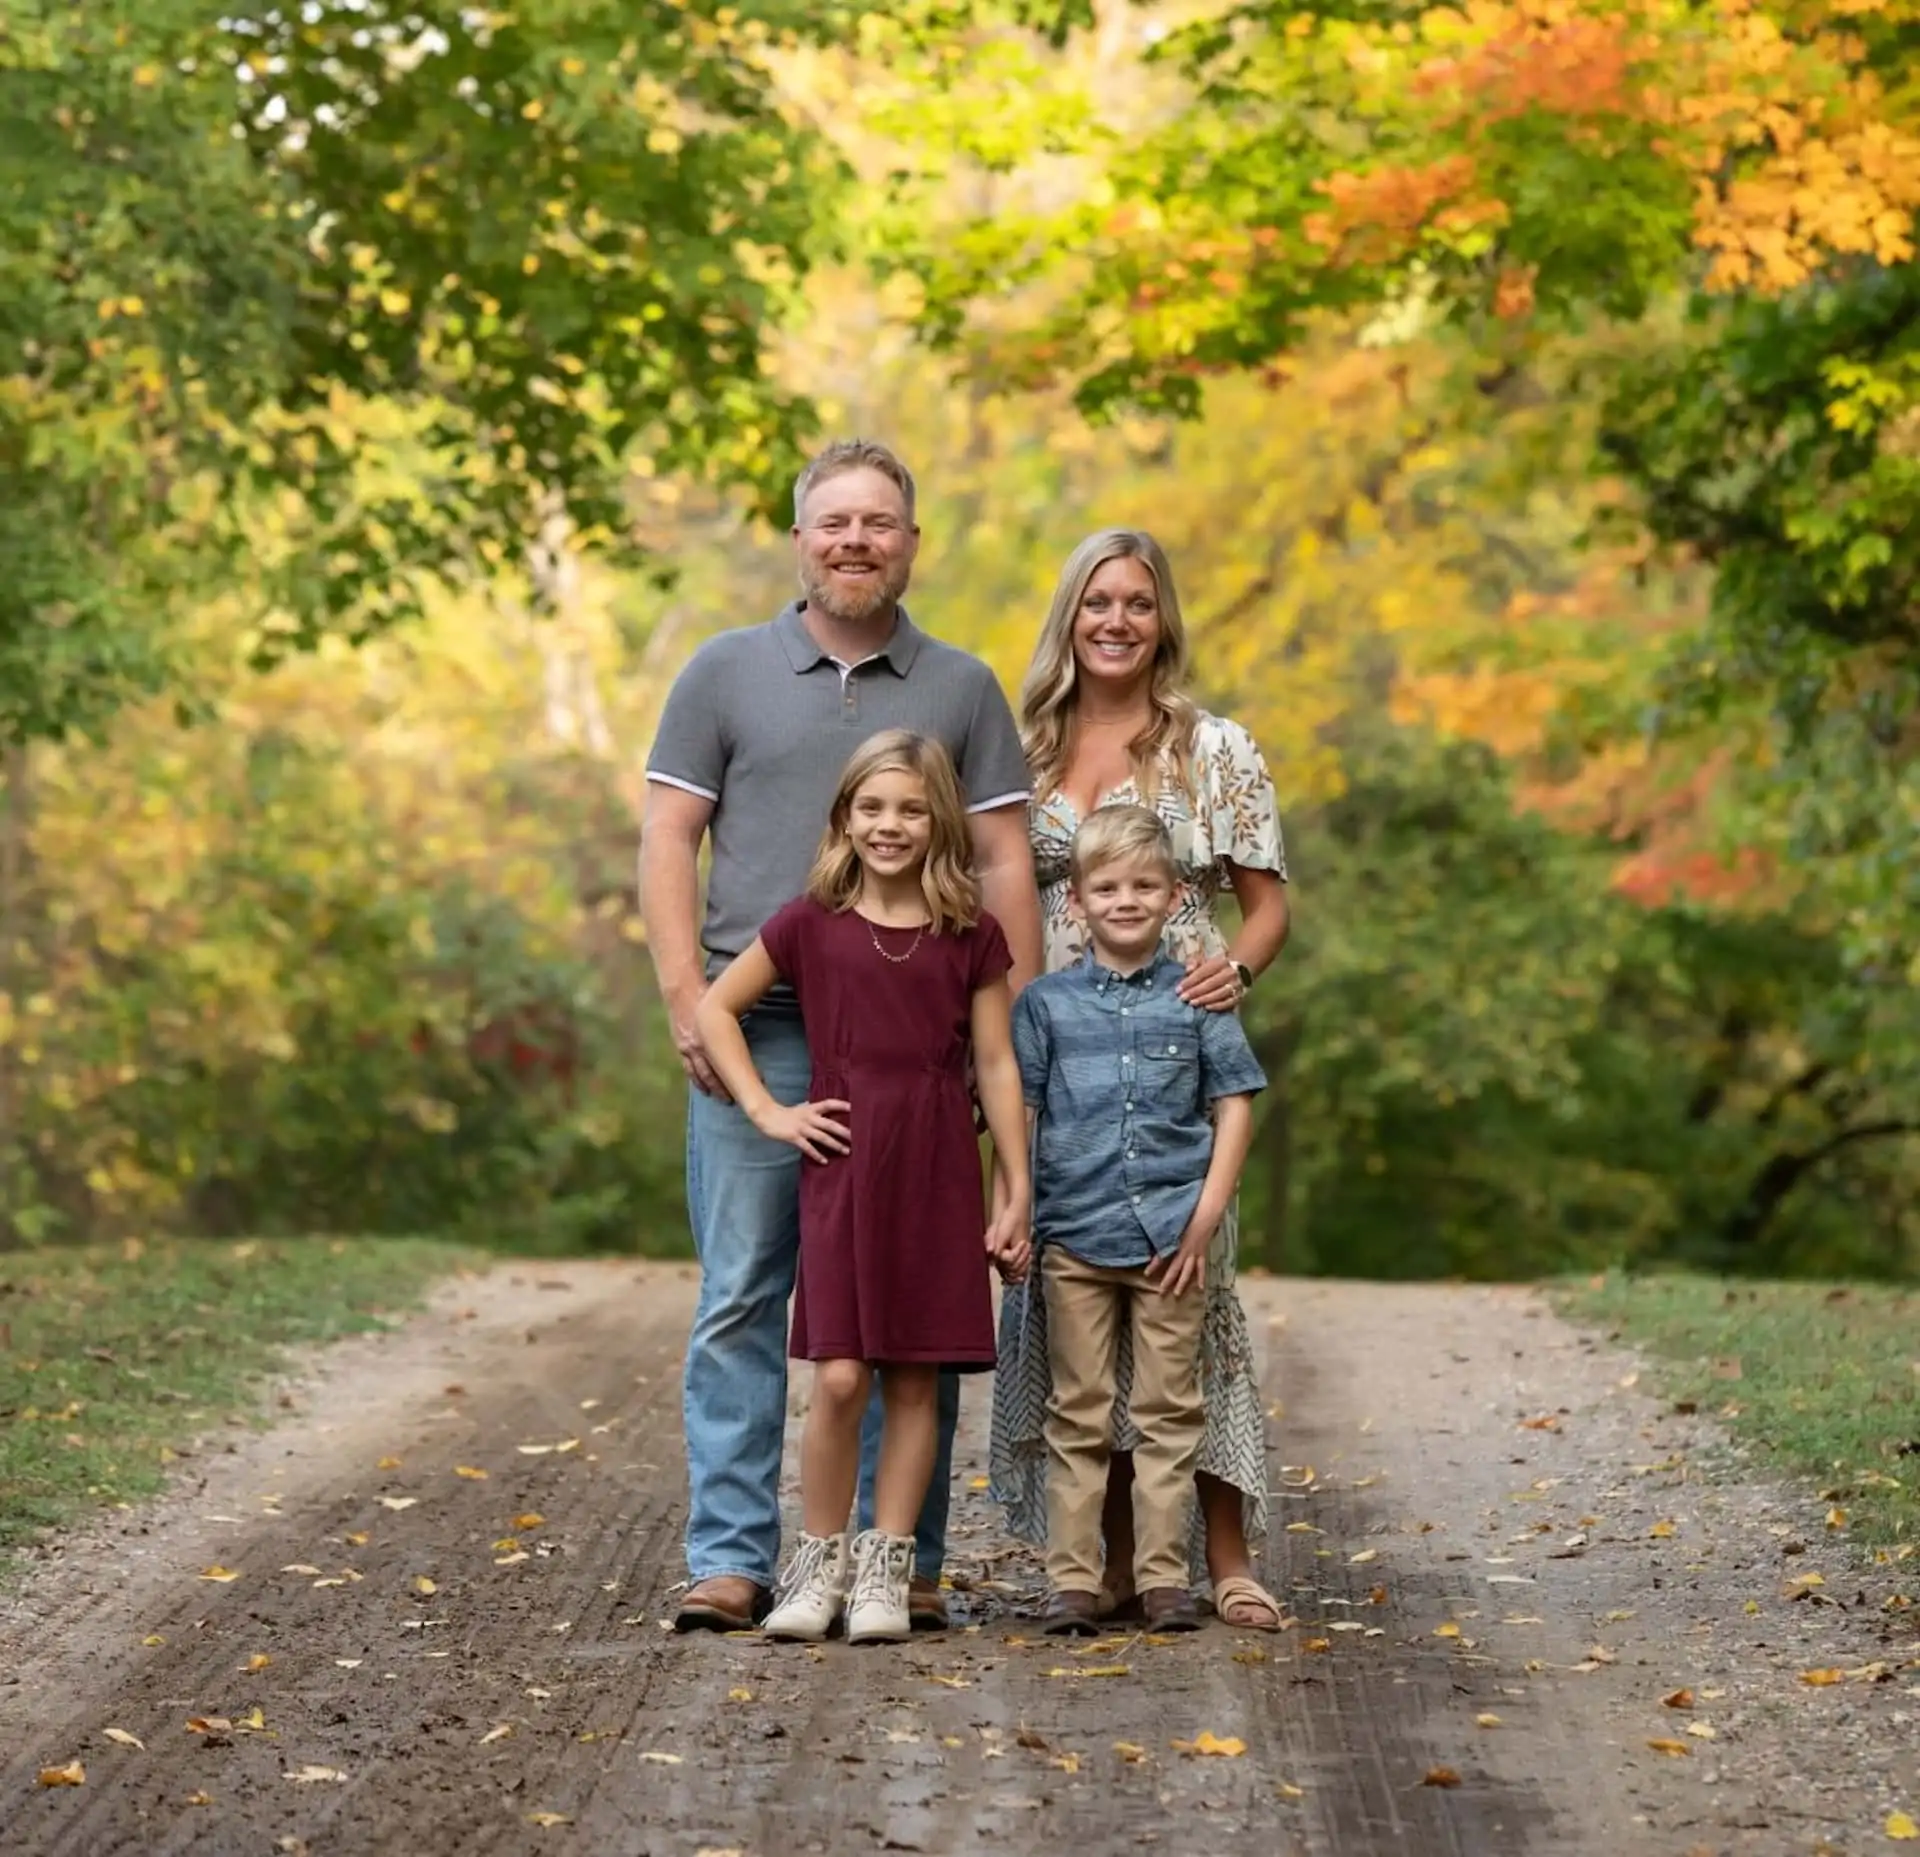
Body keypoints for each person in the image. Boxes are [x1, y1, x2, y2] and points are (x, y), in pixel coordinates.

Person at [641, 438, 1042, 1634]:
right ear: (801, 539)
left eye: (878, 523)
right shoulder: (723, 671)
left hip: (916, 1044)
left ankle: (897, 1560)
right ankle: (732, 1558)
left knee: (908, 1302)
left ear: (911, 543)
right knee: (743, 1291)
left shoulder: (962, 687)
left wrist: (1005, 1040)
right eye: (835, 522)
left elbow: (1005, 859)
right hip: (762, 1032)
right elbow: (669, 835)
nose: (856, 541)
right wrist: (684, 995)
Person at [990, 527, 1293, 1631]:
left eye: (1137, 602)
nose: (1116, 621)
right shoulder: (1018, 752)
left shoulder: (1214, 750)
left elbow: (1267, 905)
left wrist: (1231, 975)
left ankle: (1224, 1554)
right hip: (1057, 1051)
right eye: (1096, 601)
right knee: (1075, 1315)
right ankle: (1111, 1562)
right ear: (1068, 616)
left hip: (1176, 1053)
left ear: (1163, 619)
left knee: (1189, 1296)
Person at [695, 731, 1032, 1643]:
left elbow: (997, 1064)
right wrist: (769, 1110)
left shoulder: (971, 934)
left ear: (939, 822)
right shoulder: (811, 922)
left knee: (915, 1374)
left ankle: (887, 1570)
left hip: (935, 1166)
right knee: (841, 1374)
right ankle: (816, 1568)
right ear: (844, 816)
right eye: (873, 807)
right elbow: (716, 1008)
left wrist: (1016, 1186)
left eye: (912, 809)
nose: (891, 825)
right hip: (843, 1164)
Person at [1012, 805, 1264, 1634]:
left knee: (1168, 1412)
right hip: (1073, 1238)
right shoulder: (1044, 1006)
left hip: (1170, 1241)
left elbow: (1234, 1103)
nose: (1126, 900)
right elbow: (1022, 1113)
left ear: (1174, 896)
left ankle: (1163, 1580)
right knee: (1078, 1410)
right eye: (1108, 887)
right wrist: (1013, 1212)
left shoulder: (1199, 999)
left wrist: (1205, 1216)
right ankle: (1073, 1580)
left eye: (1145, 886)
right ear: (1076, 900)